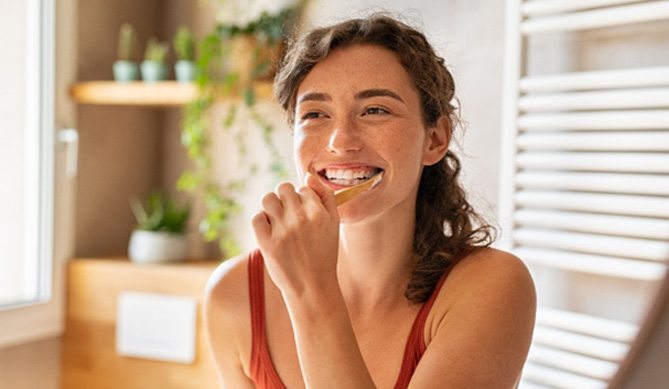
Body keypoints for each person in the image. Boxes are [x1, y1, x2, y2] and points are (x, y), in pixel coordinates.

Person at [204, 13, 536, 389]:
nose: (340, 141)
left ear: (435, 140)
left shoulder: (491, 288)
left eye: (375, 110)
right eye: (315, 114)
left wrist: (311, 290)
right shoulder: (234, 296)